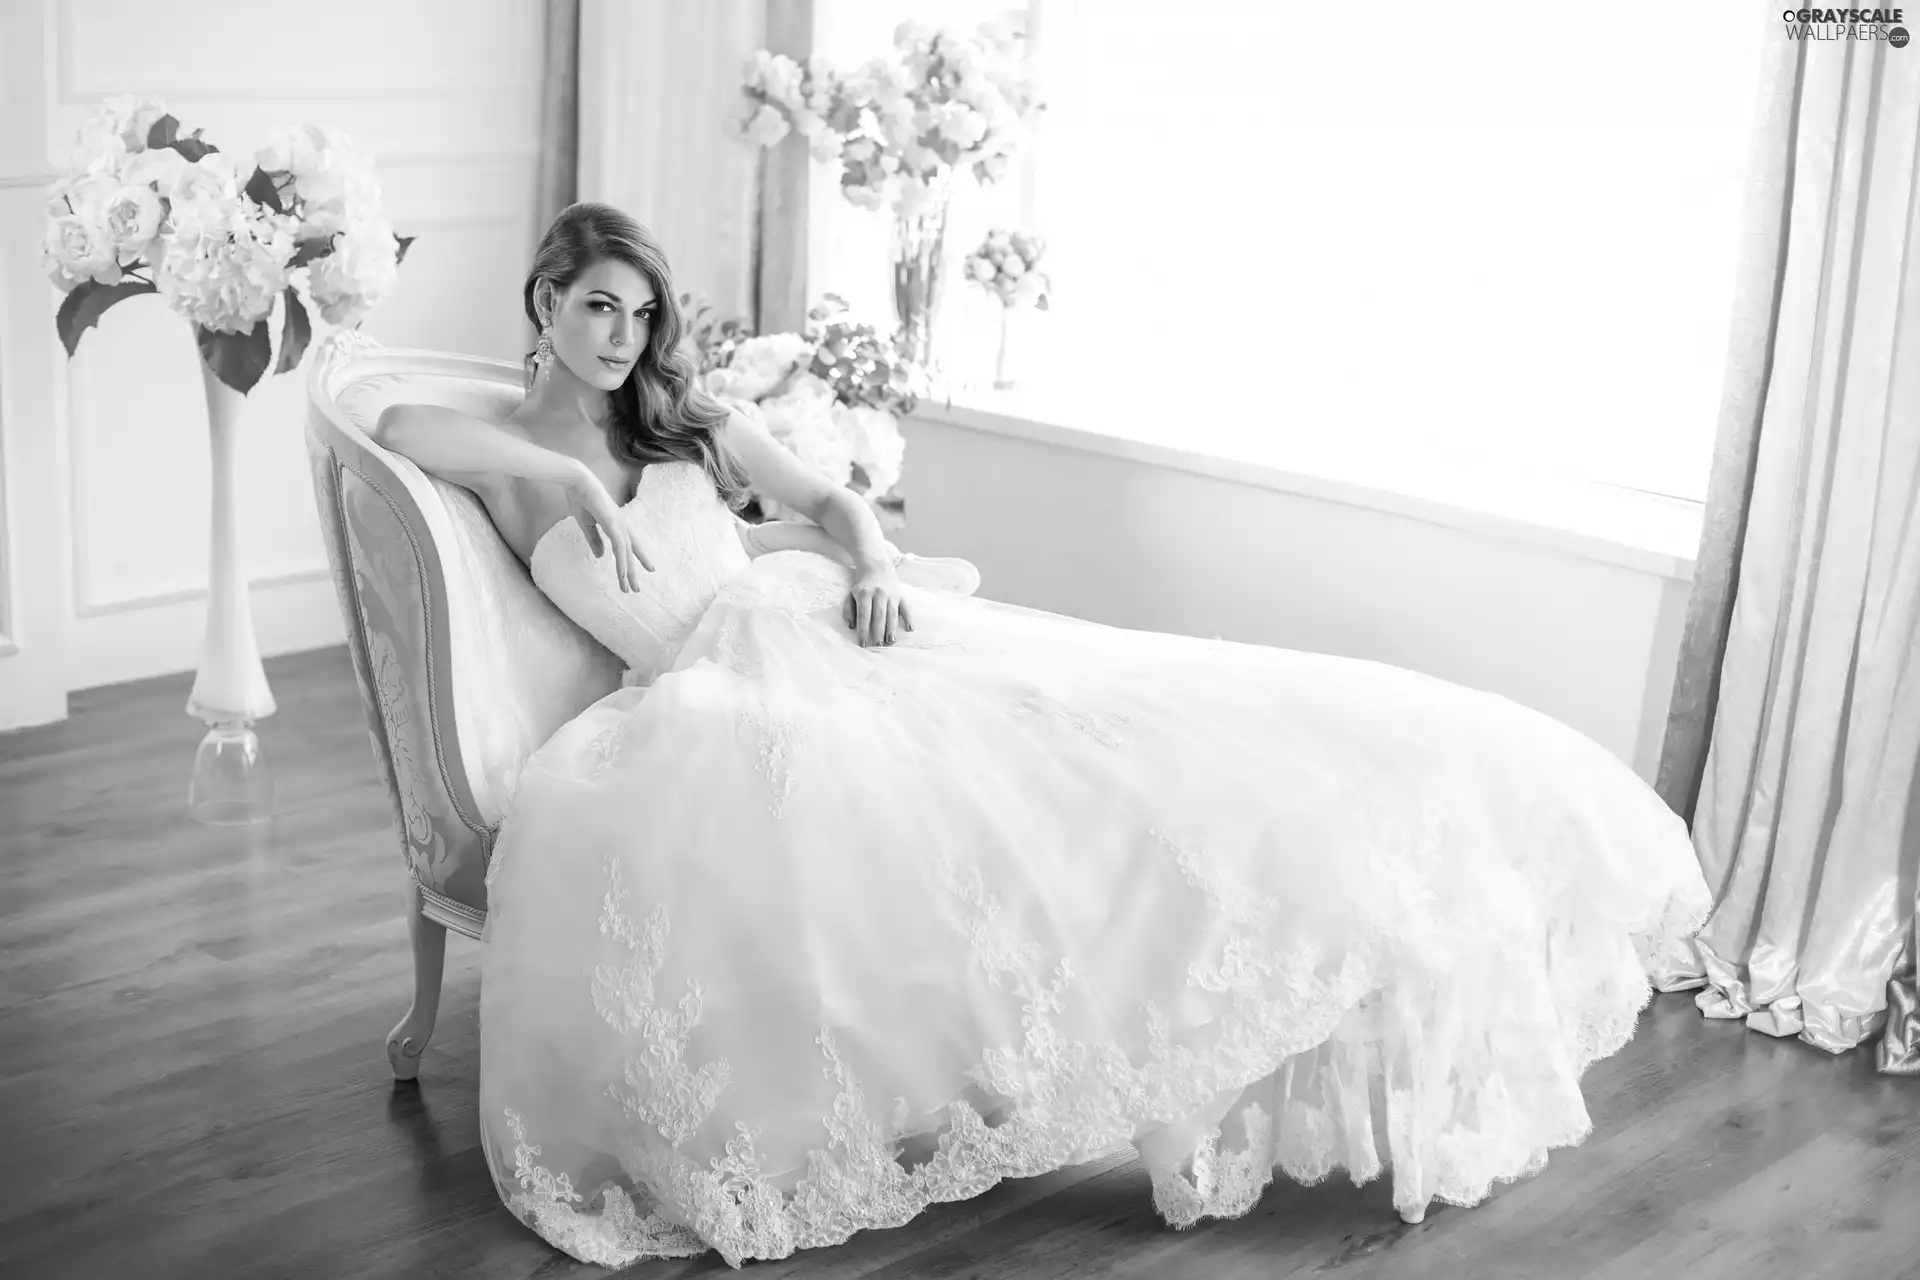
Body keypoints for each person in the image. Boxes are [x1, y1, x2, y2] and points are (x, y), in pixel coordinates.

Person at [372, 202, 1711, 1270]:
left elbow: (828, 501)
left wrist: (873, 559)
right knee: (882, 824)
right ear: (544, 304)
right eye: (596, 305)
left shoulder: (688, 420)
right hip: (708, 690)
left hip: (811, 625)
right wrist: (551, 468)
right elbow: (383, 421)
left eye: (641, 309)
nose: (621, 331)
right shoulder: (495, 448)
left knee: (1104, 742)